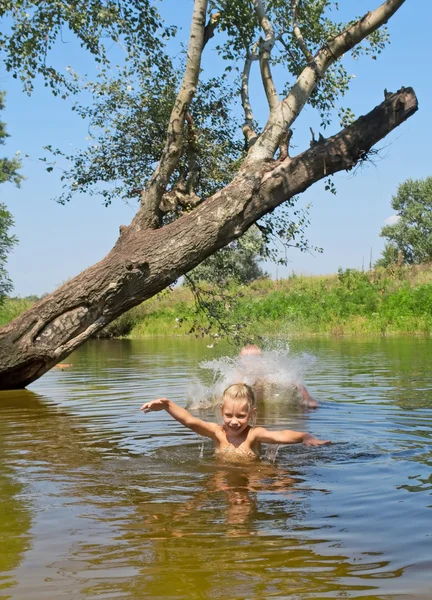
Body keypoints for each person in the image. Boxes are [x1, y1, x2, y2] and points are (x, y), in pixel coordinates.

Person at [140, 382, 330, 460]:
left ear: (252, 413)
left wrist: (304, 436)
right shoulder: (216, 432)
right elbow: (190, 421)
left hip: (251, 480)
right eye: (229, 415)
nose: (234, 421)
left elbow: (280, 435)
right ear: (221, 411)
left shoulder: (253, 435)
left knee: (278, 482)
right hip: (223, 481)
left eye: (241, 416)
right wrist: (167, 405)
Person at [239, 344, 318, 408]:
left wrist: (307, 398)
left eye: (253, 359)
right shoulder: (240, 375)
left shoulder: (267, 375)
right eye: (244, 359)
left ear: (261, 361)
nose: (248, 362)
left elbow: (294, 382)